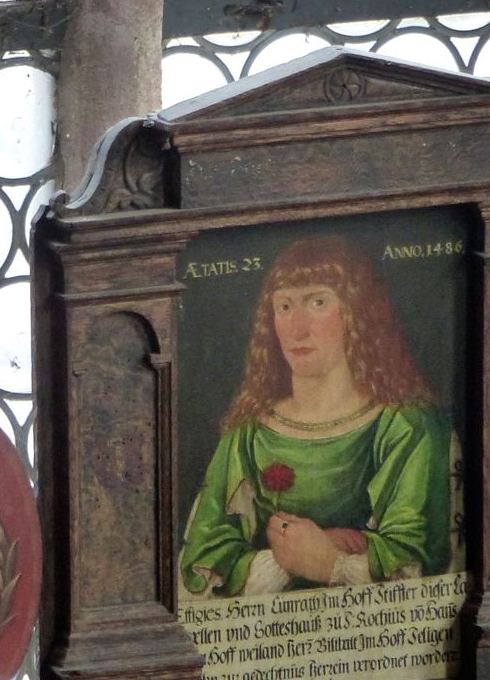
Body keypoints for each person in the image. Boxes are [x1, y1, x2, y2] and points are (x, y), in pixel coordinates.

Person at [179, 235, 461, 596]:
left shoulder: (409, 427)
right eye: (284, 307)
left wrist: (329, 563)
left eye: (317, 302)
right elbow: (200, 567)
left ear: (355, 313)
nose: (298, 328)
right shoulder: (248, 436)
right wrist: (293, 555)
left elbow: (421, 558)